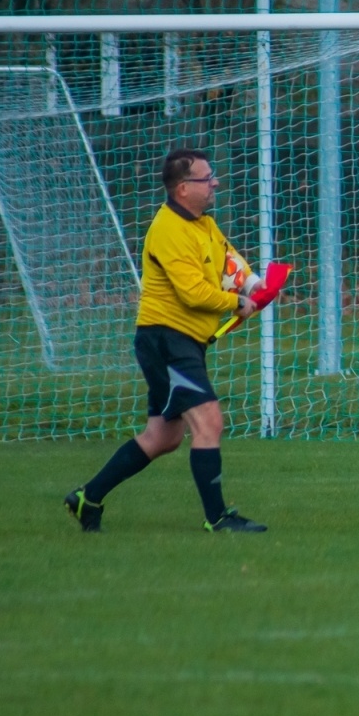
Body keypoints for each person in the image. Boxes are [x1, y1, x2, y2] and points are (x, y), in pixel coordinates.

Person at [64, 148, 268, 534]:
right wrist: (237, 303)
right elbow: (192, 292)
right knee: (209, 422)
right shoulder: (168, 229)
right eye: (207, 178)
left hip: (182, 341)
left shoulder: (202, 223)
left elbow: (229, 262)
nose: (215, 183)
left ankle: (86, 498)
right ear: (182, 188)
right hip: (166, 341)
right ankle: (218, 519)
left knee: (163, 437)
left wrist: (256, 285)